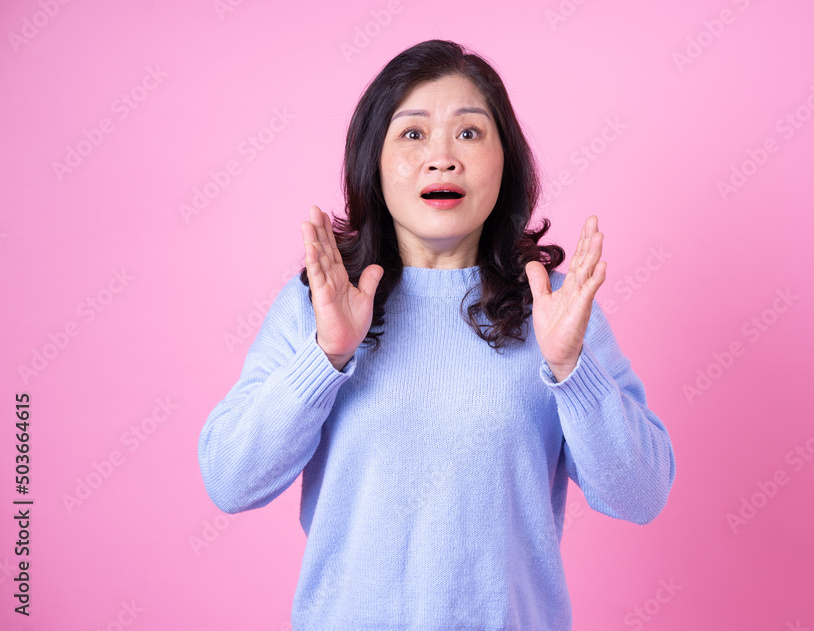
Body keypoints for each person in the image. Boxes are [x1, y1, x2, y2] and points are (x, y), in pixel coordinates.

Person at [197, 38, 676, 630]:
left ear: (508, 162)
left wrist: (571, 369)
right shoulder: (317, 302)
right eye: (413, 134)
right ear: (373, 159)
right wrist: (326, 357)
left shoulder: (551, 307)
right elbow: (230, 479)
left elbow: (640, 494)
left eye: (470, 134)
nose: (443, 158)